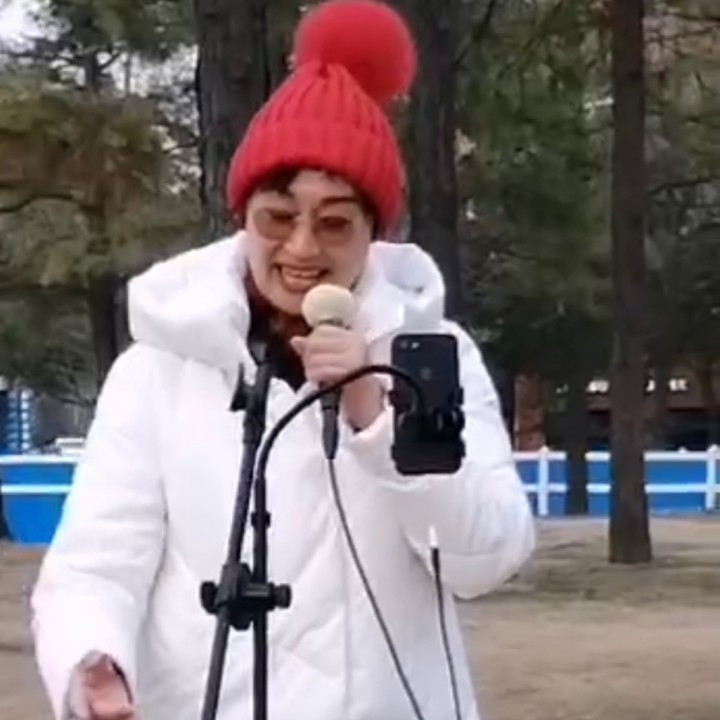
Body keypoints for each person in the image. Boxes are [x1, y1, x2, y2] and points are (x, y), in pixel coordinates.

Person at [30, 1, 535, 719]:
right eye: (277, 217)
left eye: (334, 224)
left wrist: (379, 420)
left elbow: (485, 556)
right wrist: (93, 659)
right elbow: (96, 562)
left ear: (373, 233)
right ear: (243, 215)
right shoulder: (159, 368)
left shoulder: (430, 355)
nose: (301, 248)